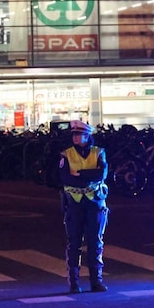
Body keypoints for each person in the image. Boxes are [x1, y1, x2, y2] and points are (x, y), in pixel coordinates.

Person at [59, 120, 109, 293]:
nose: (75, 137)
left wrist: (80, 174)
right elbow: (65, 178)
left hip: (95, 202)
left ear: (88, 136)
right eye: (73, 134)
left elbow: (101, 174)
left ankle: (96, 281)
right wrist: (88, 175)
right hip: (75, 204)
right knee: (74, 244)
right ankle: (74, 283)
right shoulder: (66, 154)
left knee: (95, 242)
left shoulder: (98, 152)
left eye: (78, 134)